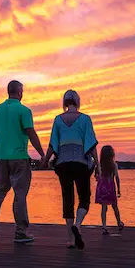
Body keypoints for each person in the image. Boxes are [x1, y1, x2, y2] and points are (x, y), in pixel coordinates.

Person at [0, 80, 45, 244]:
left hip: (0, 157)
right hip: (19, 158)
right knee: (20, 194)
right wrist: (42, 154)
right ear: (19, 93)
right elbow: (30, 133)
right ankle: (21, 232)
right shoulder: (24, 110)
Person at [40, 90, 98, 249]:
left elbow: (52, 145)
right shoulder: (85, 119)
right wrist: (98, 166)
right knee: (84, 198)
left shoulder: (58, 120)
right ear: (77, 102)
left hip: (63, 164)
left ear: (65, 102)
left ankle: (71, 240)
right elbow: (91, 145)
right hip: (80, 163)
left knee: (68, 199)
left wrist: (45, 161)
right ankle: (78, 225)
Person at [95, 145, 124, 234]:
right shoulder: (114, 165)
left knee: (104, 207)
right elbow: (117, 178)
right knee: (115, 206)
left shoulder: (99, 165)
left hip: (102, 187)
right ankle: (119, 222)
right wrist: (119, 190)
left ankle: (104, 226)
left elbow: (96, 177)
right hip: (110, 187)